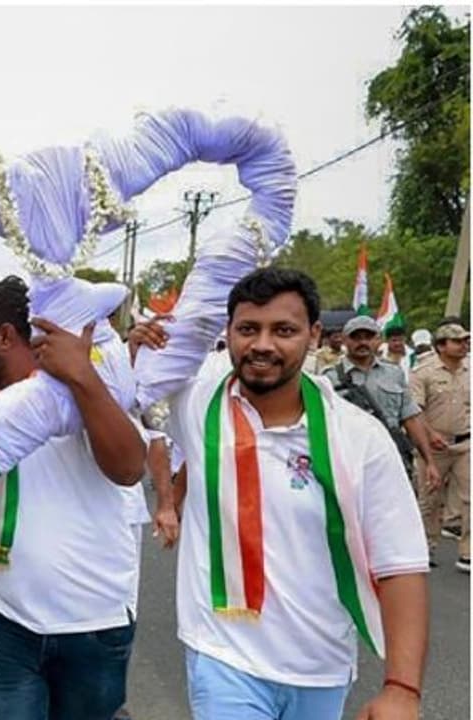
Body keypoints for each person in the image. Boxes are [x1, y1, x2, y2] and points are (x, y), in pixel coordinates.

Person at [132, 268, 428, 720]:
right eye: (248, 329)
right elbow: (127, 392)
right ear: (228, 333)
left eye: (284, 330)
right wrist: (139, 347)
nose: (263, 344)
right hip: (222, 656)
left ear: (313, 335)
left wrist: (402, 688)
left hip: (321, 667)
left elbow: (399, 565)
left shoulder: (359, 437)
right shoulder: (195, 402)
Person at [0, 276, 146, 720]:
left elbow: (130, 468)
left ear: (5, 337)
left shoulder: (92, 392)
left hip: (93, 625)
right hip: (1, 618)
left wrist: (82, 376)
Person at [325, 315, 438, 483]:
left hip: (392, 454)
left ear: (378, 340)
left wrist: (429, 462)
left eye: (369, 337)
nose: (363, 342)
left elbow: (410, 418)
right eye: (356, 337)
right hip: (350, 458)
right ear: (344, 340)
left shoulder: (394, 373)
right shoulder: (330, 378)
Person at [408, 322, 470, 572]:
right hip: (431, 447)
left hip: (465, 444)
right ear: (441, 346)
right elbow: (414, 410)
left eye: (466, 340)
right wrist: (430, 434)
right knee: (429, 499)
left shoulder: (470, 369)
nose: (465, 345)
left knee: (470, 499)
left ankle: (468, 552)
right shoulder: (423, 372)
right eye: (458, 341)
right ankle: (425, 546)